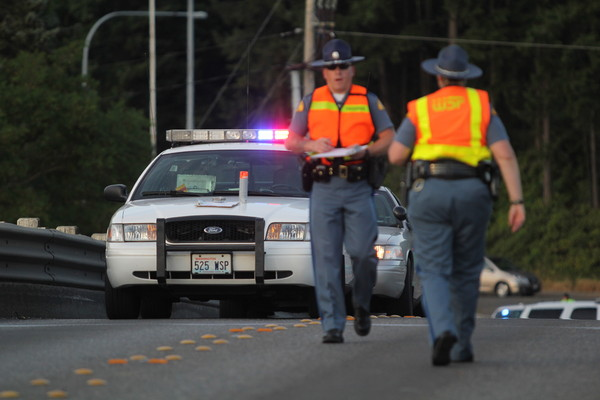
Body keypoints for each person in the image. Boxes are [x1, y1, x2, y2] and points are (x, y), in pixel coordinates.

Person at [388, 44, 526, 365]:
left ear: (438, 77)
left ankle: (443, 331)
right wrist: (516, 200)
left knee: (434, 270)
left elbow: (395, 155)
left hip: (430, 191)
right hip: (472, 193)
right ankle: (463, 344)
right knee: (466, 270)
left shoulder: (422, 108)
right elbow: (504, 154)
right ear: (465, 78)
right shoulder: (481, 105)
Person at [285, 38, 394, 344]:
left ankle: (361, 303)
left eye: (343, 65)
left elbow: (389, 137)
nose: (338, 72)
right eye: (331, 66)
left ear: (351, 68)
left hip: (358, 186)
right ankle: (332, 324)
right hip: (323, 187)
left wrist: (368, 149)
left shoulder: (368, 99)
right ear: (324, 71)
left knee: (362, 254)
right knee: (327, 258)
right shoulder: (311, 101)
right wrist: (311, 144)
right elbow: (291, 141)